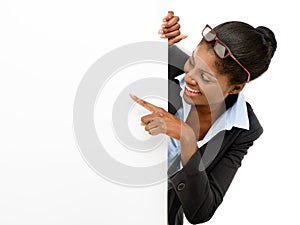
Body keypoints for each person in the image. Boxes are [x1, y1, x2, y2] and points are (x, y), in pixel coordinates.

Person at [131, 11, 277, 225]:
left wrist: (187, 138)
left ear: (235, 87)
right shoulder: (167, 64)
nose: (189, 77)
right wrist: (156, 30)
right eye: (192, 62)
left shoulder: (245, 129)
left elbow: (201, 212)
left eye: (205, 77)